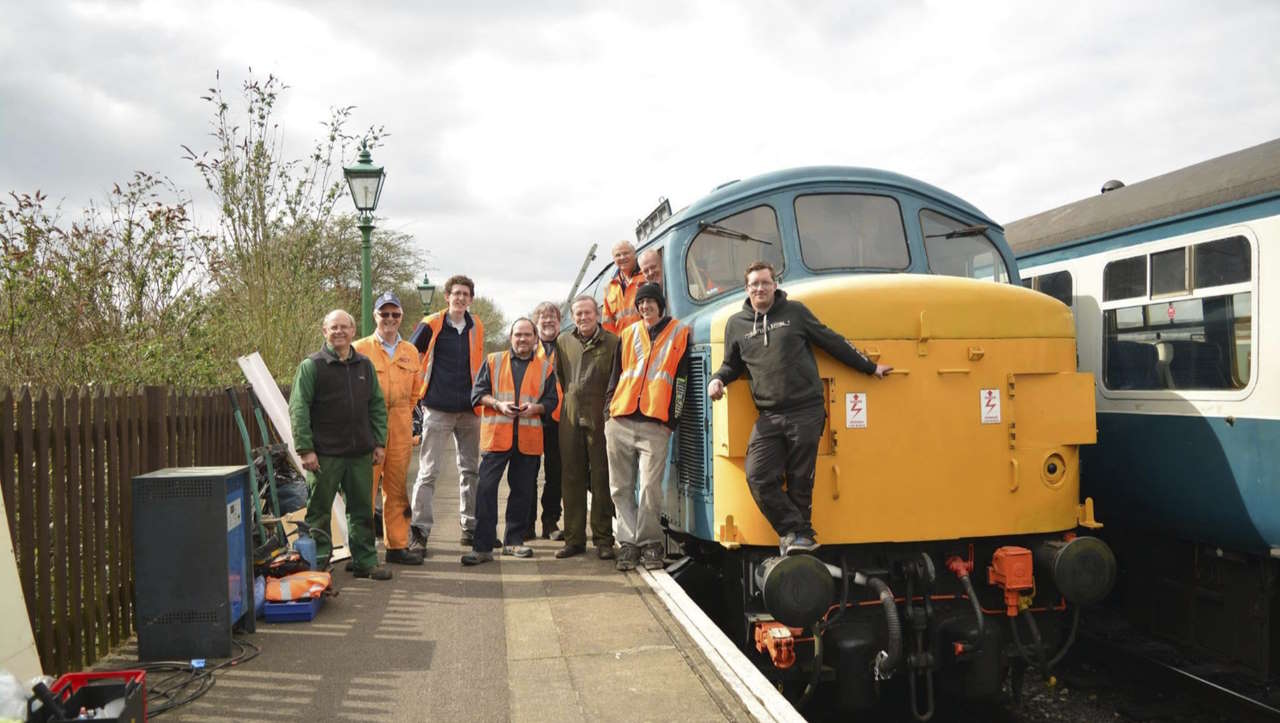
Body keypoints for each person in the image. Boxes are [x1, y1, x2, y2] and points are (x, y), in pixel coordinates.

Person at [707, 262, 892, 556]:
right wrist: (717, 379)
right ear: (746, 289)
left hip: (806, 409)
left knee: (800, 479)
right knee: (758, 476)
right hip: (769, 415)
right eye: (754, 284)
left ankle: (798, 540)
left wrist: (870, 368)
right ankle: (796, 532)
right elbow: (732, 364)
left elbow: (832, 341)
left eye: (765, 283)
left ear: (775, 285)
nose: (760, 288)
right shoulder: (737, 324)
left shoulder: (796, 313)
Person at [289, 309, 392, 580]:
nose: (339, 332)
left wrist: (379, 442)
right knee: (319, 511)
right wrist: (305, 449)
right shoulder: (312, 366)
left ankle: (365, 560)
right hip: (324, 455)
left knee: (361, 510)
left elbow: (377, 406)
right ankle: (319, 562)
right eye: (333, 327)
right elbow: (299, 409)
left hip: (359, 453)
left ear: (353, 331)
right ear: (324, 331)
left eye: (344, 327)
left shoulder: (365, 366)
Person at [604, 284, 689, 571]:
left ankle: (650, 542)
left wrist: (671, 422)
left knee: (651, 488)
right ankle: (628, 544)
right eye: (641, 303)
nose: (645, 307)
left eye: (650, 302)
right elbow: (615, 376)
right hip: (620, 419)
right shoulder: (627, 334)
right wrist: (608, 414)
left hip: (655, 424)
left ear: (660, 305)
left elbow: (681, 381)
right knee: (620, 487)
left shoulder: (679, 333)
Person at [463, 319, 559, 565]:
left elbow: (552, 402)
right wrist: (498, 404)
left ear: (535, 338)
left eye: (527, 335)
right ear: (511, 337)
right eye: (518, 334)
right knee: (485, 489)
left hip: (528, 439)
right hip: (496, 438)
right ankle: (482, 547)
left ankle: (514, 541)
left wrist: (535, 408)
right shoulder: (493, 361)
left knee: (523, 493)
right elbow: (477, 395)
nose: (522, 339)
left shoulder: (546, 368)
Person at [409, 275, 485, 548]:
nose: (461, 298)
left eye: (466, 294)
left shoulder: (477, 326)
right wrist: (415, 395)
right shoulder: (430, 324)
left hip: (469, 410)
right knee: (428, 471)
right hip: (437, 408)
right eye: (457, 293)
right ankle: (420, 530)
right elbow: (409, 355)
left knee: (470, 470)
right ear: (447, 296)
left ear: (471, 299)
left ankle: (470, 525)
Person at [352, 292, 424, 566]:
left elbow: (415, 393)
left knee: (396, 489)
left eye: (395, 314)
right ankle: (362, 550)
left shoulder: (410, 351)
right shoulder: (360, 349)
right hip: (368, 424)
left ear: (401, 317)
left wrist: (406, 419)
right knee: (363, 490)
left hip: (401, 425)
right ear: (375, 316)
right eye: (385, 314)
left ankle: (397, 546)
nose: (390, 319)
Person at [554, 295, 620, 559]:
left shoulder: (614, 342)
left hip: (601, 414)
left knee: (602, 477)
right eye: (578, 314)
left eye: (587, 313)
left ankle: (604, 539)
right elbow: (561, 376)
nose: (583, 318)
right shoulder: (563, 341)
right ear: (574, 316)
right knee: (571, 476)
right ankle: (574, 539)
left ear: (597, 314)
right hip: (570, 415)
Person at [529, 301, 565, 541]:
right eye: (543, 317)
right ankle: (526, 523)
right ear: (537, 322)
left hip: (559, 418)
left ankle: (550, 522)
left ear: (559, 322)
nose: (548, 321)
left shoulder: (568, 345)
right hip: (532, 417)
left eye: (552, 317)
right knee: (528, 473)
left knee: (556, 473)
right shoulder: (527, 346)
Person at [600, 240, 641, 334]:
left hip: (647, 339)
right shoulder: (609, 288)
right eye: (618, 255)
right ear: (614, 260)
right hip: (623, 343)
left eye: (626, 253)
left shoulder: (646, 276)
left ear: (634, 254)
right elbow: (607, 323)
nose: (622, 257)